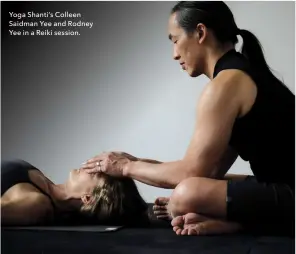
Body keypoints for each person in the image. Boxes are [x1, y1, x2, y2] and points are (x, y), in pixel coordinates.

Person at [81, 1, 295, 236]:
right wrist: (136, 161)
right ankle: (235, 221)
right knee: (190, 191)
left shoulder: (227, 84)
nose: (174, 54)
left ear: (200, 33)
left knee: (186, 193)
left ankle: (241, 224)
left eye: (175, 40)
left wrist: (125, 168)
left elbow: (190, 174)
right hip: (282, 187)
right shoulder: (239, 73)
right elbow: (209, 172)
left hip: (289, 194)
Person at [1, 159, 148, 226]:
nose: (88, 166)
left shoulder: (37, 205)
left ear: (88, 198)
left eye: (94, 173)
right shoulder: (48, 187)